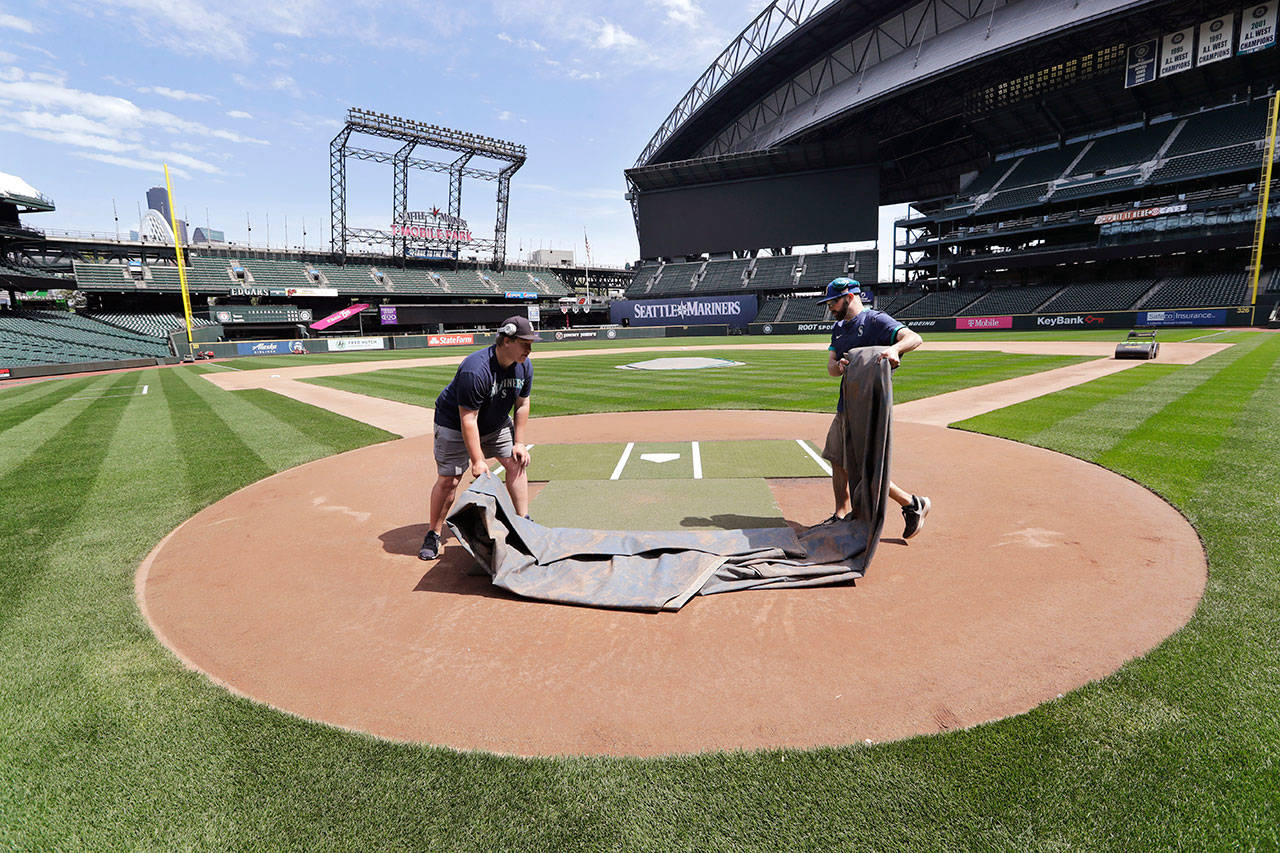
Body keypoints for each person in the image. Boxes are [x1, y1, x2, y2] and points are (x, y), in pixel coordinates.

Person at [816, 277, 931, 539]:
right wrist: (839, 367)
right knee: (836, 458)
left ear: (850, 297)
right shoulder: (838, 328)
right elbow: (832, 367)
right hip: (846, 403)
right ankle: (841, 513)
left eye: (833, 301)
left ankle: (913, 504)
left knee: (866, 467)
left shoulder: (876, 321)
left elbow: (915, 338)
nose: (830, 307)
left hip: (869, 407)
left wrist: (895, 349)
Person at [419, 315, 538, 561]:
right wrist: (478, 460)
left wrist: (519, 442)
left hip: (494, 422)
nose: (530, 348)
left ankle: (523, 522)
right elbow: (468, 419)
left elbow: (523, 404)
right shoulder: (476, 370)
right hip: (454, 423)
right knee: (449, 481)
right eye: (525, 343)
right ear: (506, 340)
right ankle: (433, 533)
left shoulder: (524, 365)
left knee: (517, 461)